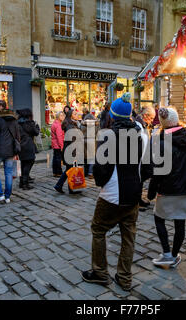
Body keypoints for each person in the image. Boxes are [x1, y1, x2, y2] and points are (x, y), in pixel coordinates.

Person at [81, 92, 151, 292]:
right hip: (133, 194)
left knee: (99, 230)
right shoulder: (141, 133)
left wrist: (102, 184)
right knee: (128, 236)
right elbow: (148, 166)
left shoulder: (109, 135)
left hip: (112, 194)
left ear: (112, 116)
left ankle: (100, 272)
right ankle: (124, 277)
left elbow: (101, 168)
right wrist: (138, 182)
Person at [147, 107, 186, 269]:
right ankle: (174, 255)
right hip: (185, 188)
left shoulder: (161, 142)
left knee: (159, 218)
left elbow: (157, 171)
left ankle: (167, 254)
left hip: (167, 189)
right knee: (179, 223)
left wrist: (151, 191)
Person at [0, 100, 20, 204]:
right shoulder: (13, 119)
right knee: (8, 172)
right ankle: (7, 197)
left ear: (0, 107)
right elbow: (17, 135)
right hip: (10, 150)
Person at [53, 109, 82, 194]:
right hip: (71, 150)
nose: (77, 115)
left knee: (69, 169)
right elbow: (72, 141)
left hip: (70, 150)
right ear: (71, 116)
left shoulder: (72, 124)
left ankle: (60, 186)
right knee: (70, 169)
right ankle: (70, 188)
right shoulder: (70, 126)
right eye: (75, 114)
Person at [135, 106, 156, 211]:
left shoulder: (144, 124)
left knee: (141, 178)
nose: (152, 121)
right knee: (138, 179)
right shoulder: (138, 125)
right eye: (151, 118)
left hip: (144, 156)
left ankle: (138, 198)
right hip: (140, 157)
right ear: (145, 116)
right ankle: (136, 201)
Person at [16, 108, 40, 190]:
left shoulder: (17, 123)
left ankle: (21, 182)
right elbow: (36, 132)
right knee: (29, 163)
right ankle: (25, 183)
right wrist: (37, 127)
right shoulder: (29, 123)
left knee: (23, 164)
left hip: (20, 146)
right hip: (28, 145)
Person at [80, 111, 98, 178]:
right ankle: (91, 172)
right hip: (93, 141)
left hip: (84, 141)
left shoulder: (82, 124)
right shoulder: (95, 124)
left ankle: (85, 172)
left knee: (85, 158)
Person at [51, 111, 65, 177]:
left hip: (54, 143)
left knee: (55, 157)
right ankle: (59, 172)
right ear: (58, 116)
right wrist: (62, 145)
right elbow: (59, 136)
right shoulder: (58, 125)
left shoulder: (55, 123)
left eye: (63, 115)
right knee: (58, 158)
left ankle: (55, 171)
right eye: (61, 115)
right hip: (57, 144)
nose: (63, 117)